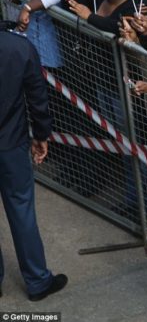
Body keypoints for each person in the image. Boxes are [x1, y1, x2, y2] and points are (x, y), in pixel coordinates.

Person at [0, 21, 68, 301]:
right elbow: (38, 98)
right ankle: (38, 280)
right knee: (22, 210)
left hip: (12, 142)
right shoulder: (20, 47)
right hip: (11, 144)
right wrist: (42, 135)